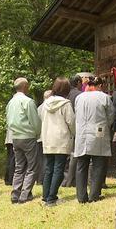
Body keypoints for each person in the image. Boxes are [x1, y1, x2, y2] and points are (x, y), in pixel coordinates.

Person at [74, 76, 115, 203]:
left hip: (82, 133)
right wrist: (106, 126)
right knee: (98, 164)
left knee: (81, 165)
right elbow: (111, 116)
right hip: (98, 133)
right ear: (100, 85)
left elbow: (76, 114)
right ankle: (94, 195)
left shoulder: (79, 97)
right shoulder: (104, 97)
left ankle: (81, 196)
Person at [39, 78, 75, 207]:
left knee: (49, 168)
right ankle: (51, 198)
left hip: (48, 138)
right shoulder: (66, 104)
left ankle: (45, 196)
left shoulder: (46, 103)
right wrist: (74, 134)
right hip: (61, 139)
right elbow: (71, 122)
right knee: (58, 169)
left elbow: (42, 119)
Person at [6, 77, 42, 204]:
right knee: (32, 167)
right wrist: (37, 134)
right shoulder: (28, 102)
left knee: (19, 167)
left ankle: (15, 194)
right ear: (25, 87)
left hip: (15, 137)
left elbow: (8, 120)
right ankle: (25, 194)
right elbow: (35, 121)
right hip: (28, 136)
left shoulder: (10, 102)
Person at [62, 75, 82, 188]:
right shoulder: (79, 95)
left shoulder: (65, 94)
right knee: (74, 154)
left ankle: (65, 180)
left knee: (66, 154)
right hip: (75, 125)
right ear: (78, 82)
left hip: (62, 127)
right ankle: (70, 180)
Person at [36, 90, 53, 185]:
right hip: (48, 136)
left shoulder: (38, 108)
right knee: (47, 160)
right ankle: (45, 179)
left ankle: (39, 179)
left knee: (40, 160)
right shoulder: (50, 108)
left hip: (39, 137)